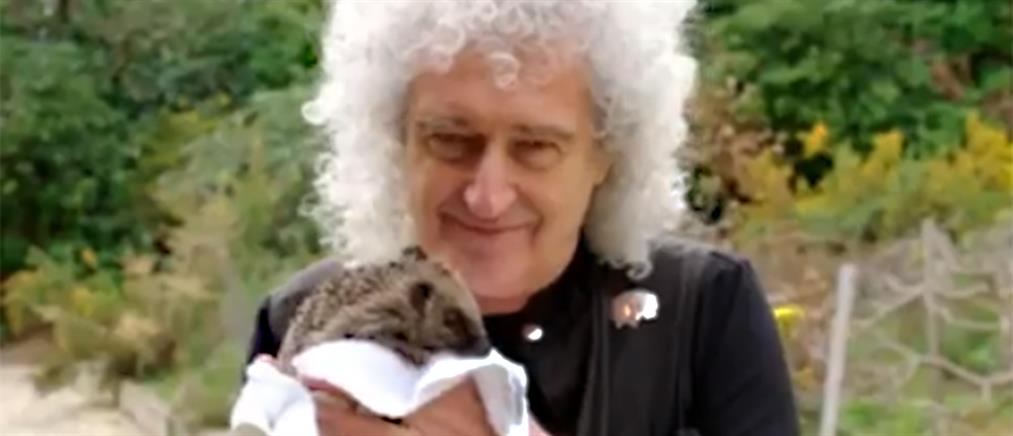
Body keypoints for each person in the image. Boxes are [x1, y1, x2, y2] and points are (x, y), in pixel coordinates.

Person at [245, 1, 799, 435]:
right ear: (397, 143)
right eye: (450, 140)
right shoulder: (303, 315)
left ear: (606, 155)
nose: (487, 196)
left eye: (535, 147)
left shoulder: (702, 311)